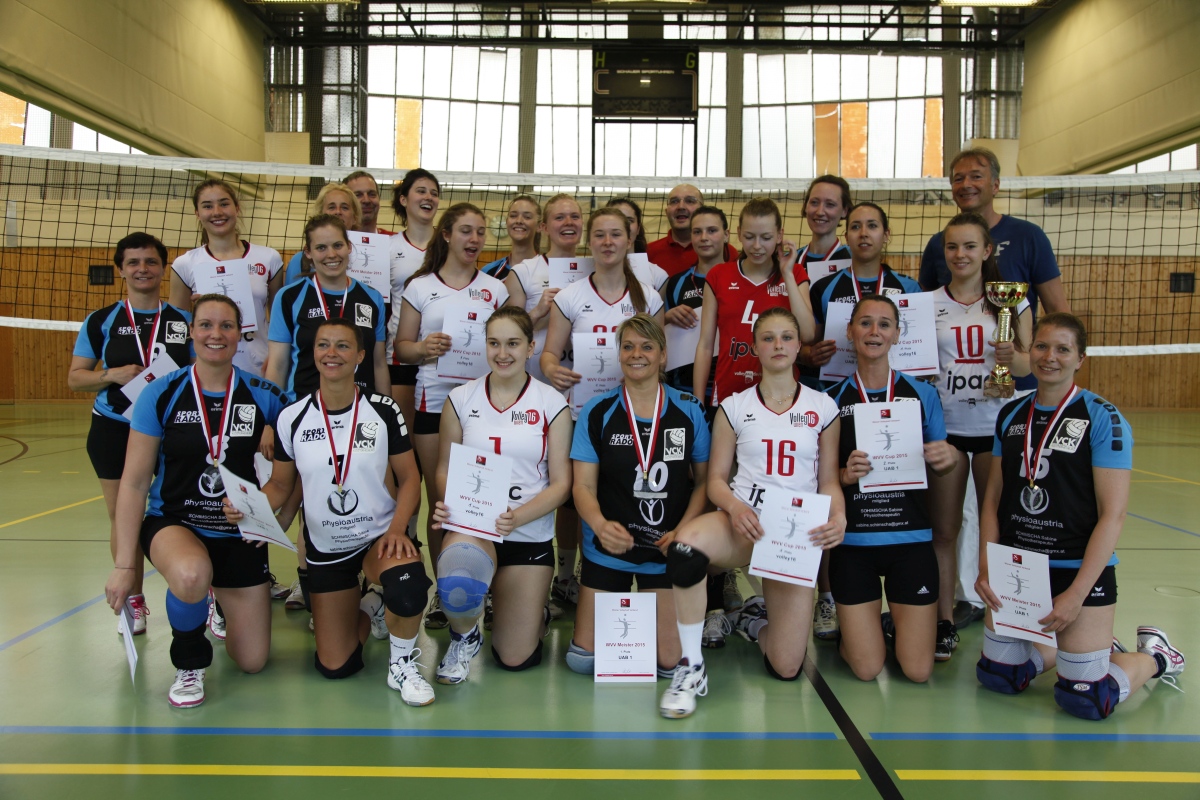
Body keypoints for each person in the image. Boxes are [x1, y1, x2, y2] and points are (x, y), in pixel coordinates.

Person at [976, 312, 1184, 719]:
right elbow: (992, 500)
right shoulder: (1010, 415)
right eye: (1041, 346)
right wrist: (986, 565)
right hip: (1020, 569)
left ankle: (1156, 656)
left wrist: (1075, 596)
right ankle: (1087, 647)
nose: (1049, 357)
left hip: (1076, 568)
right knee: (1000, 676)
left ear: (1080, 359)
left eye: (1062, 349)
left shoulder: (1103, 418)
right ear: (1029, 351)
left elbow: (1113, 515)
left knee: (1086, 699)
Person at [228, 318, 436, 703]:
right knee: (336, 665)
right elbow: (281, 485)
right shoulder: (292, 416)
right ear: (314, 353)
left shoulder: (383, 410)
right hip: (326, 548)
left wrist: (397, 530)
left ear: (359, 356)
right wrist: (248, 508)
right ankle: (371, 605)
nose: (332, 353)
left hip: (378, 537)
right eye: (323, 345)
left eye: (343, 346)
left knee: (408, 590)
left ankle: (402, 664)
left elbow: (410, 478)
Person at [659, 308, 845, 719]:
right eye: (768, 338)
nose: (778, 345)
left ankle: (752, 620)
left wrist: (839, 517)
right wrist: (735, 506)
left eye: (786, 337)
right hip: (743, 523)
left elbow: (830, 480)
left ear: (798, 345)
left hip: (792, 534)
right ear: (754, 347)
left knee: (786, 666)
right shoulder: (734, 406)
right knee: (685, 551)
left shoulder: (823, 406)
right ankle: (691, 666)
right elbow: (716, 481)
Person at [103, 295, 286, 708]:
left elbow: (300, 455)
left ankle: (214, 596)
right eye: (205, 325)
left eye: (226, 326)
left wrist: (276, 430)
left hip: (238, 532)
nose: (215, 334)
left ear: (240, 334)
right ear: (191, 332)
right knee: (189, 574)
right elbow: (134, 483)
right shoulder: (161, 393)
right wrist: (124, 566)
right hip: (175, 522)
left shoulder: (265, 395)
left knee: (252, 661)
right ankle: (190, 661)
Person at [428, 307, 573, 683]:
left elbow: (561, 484)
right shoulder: (461, 398)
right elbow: (444, 468)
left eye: (513, 343)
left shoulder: (552, 403)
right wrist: (451, 502)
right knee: (459, 574)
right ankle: (464, 637)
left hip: (527, 534)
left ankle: (533, 612)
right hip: (474, 528)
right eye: (494, 343)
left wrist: (516, 517)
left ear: (530, 347)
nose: (502, 353)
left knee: (515, 658)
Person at [566, 314, 710, 679]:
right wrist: (600, 525)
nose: (636, 354)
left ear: (663, 355)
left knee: (669, 663)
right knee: (582, 660)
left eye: (647, 347)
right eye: (628, 346)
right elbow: (582, 486)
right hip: (609, 548)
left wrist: (684, 532)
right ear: (619, 354)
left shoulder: (689, 409)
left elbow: (705, 483)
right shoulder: (597, 411)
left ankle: (647, 624)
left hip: (663, 549)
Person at [538, 204, 666, 611]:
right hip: (584, 415)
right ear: (589, 242)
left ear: (630, 240)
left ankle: (625, 564)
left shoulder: (648, 297)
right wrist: (553, 370)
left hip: (636, 416)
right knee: (574, 498)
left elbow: (659, 356)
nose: (608, 242)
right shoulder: (571, 296)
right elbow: (549, 354)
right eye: (600, 235)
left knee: (626, 492)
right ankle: (566, 576)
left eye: (616, 234)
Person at [826, 296, 957, 684]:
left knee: (917, 671)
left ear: (898, 334)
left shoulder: (923, 394)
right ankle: (859, 635)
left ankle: (886, 626)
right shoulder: (830, 401)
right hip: (855, 545)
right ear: (850, 331)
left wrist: (946, 458)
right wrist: (845, 474)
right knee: (867, 669)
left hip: (910, 541)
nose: (874, 332)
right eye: (865, 323)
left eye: (884, 324)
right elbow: (822, 476)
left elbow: (942, 460)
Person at [70, 232, 194, 634]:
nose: (143, 269)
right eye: (134, 263)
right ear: (121, 270)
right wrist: (111, 375)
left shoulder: (183, 321)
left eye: (151, 261)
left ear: (162, 268)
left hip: (171, 431)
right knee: (122, 516)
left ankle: (201, 593)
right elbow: (75, 378)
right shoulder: (101, 320)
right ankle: (135, 601)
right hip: (114, 428)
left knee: (185, 510)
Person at [396, 202, 509, 629]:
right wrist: (423, 348)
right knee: (441, 500)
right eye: (465, 230)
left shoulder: (495, 290)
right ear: (446, 234)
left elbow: (509, 341)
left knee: (488, 498)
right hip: (433, 403)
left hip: (485, 406)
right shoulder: (421, 286)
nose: (474, 239)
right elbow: (402, 347)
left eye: (480, 231)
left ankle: (488, 590)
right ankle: (444, 594)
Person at [928, 212, 1032, 662]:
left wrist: (1011, 357)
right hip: (948, 430)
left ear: (987, 250)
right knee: (944, 531)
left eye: (970, 246)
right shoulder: (927, 303)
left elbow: (1027, 365)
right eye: (952, 246)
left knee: (1000, 531)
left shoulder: (1012, 303)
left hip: (995, 430)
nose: (960, 254)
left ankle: (1005, 623)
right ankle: (943, 623)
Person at [918, 147, 1071, 384]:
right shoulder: (938, 244)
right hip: (951, 386)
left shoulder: (1028, 236)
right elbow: (925, 314)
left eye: (976, 176)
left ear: (995, 185)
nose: (966, 184)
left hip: (1019, 384)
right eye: (958, 178)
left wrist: (1064, 372)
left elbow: (1058, 311)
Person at [692, 197, 816, 409]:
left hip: (781, 397)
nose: (757, 246)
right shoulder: (718, 275)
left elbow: (808, 334)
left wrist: (786, 273)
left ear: (779, 235)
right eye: (749, 237)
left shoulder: (795, 273)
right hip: (729, 395)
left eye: (766, 237)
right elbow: (705, 345)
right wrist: (697, 403)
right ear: (739, 233)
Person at [267, 215, 389, 402]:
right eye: (321, 248)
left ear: (349, 247)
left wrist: (387, 411)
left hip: (361, 409)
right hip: (304, 407)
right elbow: (277, 365)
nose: (331, 254)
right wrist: (271, 414)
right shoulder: (289, 297)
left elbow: (378, 364)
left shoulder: (373, 298)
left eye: (338, 245)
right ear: (308, 252)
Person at [169, 179, 284, 377]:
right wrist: (199, 310)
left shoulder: (268, 258)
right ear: (197, 213)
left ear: (237, 208)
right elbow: (176, 329)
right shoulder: (185, 264)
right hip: (208, 369)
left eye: (224, 204)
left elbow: (280, 320)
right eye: (207, 206)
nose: (217, 212)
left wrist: (276, 358)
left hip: (259, 366)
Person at [387, 168, 442, 428]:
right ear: (403, 199)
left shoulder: (450, 244)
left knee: (439, 434)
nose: (428, 197)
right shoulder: (389, 247)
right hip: (401, 355)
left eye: (434, 193)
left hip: (442, 354)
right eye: (421, 191)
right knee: (405, 434)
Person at [661, 205, 728, 399]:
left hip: (729, 387)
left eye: (712, 230)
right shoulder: (677, 282)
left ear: (726, 235)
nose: (704, 237)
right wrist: (667, 318)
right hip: (684, 388)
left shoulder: (740, 279)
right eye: (697, 232)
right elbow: (659, 335)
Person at [645, 184, 738, 276]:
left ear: (701, 209)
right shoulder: (648, 252)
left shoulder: (729, 253)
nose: (681, 207)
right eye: (674, 201)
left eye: (690, 201)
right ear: (666, 212)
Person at [282, 182, 363, 286]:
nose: (338, 212)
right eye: (331, 207)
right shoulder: (299, 261)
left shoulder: (371, 257)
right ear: (320, 213)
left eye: (344, 207)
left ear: (355, 217)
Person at [482, 195, 541, 281]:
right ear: (507, 222)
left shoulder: (548, 270)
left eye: (527, 217)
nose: (519, 221)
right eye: (513, 216)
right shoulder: (489, 272)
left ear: (539, 226)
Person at [344, 170, 395, 235]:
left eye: (372, 194)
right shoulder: (336, 240)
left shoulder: (394, 239)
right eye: (358, 195)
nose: (366, 200)